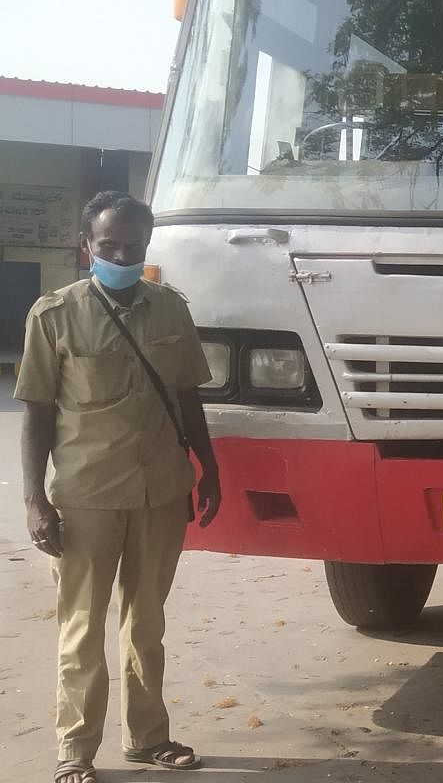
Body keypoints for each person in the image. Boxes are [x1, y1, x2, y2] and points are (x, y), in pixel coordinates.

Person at [17, 192, 220, 783]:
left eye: (134, 246)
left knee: (147, 622)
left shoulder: (171, 310)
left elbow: (188, 396)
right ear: (88, 247)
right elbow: (35, 414)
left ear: (147, 246)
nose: (122, 255)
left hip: (161, 489)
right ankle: (74, 752)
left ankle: (148, 738)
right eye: (109, 246)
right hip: (86, 496)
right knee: (82, 626)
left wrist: (210, 468)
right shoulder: (53, 314)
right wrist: (35, 501)